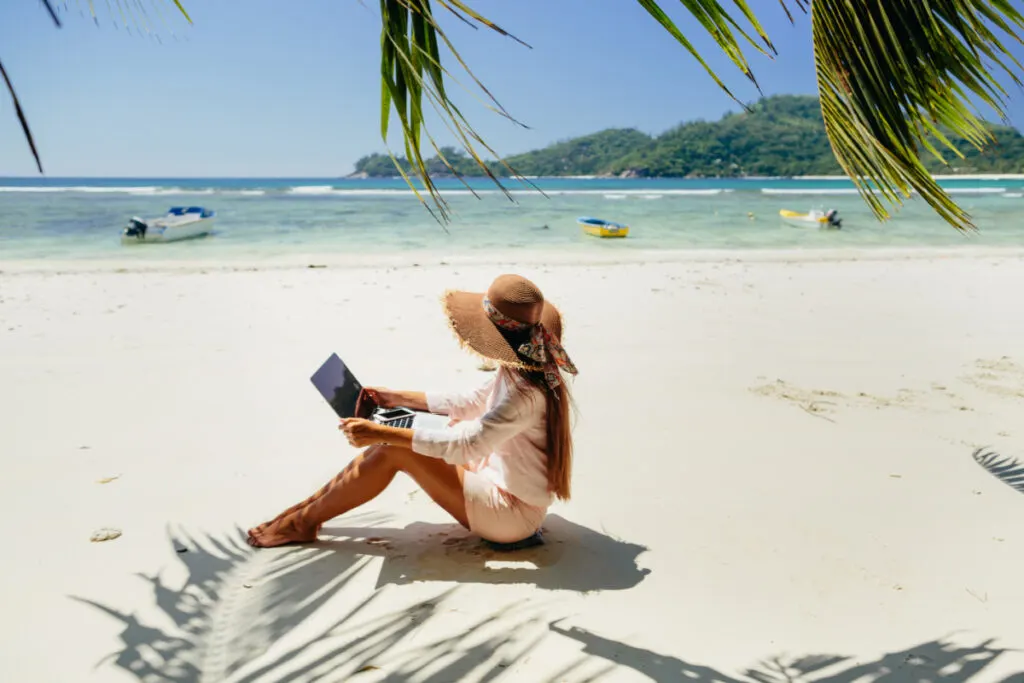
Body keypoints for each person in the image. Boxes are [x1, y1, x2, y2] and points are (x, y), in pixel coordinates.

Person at [247, 274, 578, 548]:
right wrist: (394, 397)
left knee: (395, 448)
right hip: (498, 483)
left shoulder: (526, 393)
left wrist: (385, 433)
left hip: (512, 516)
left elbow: (469, 444)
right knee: (391, 442)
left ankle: (302, 522)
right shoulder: (521, 371)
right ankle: (302, 514)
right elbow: (468, 402)